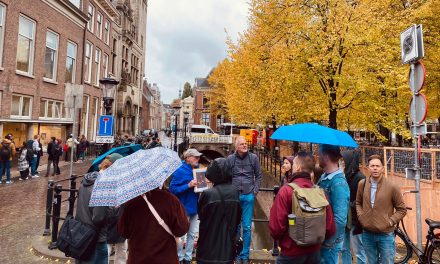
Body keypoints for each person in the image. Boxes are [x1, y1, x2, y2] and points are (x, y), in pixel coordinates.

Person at [270, 152, 336, 264]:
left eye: (294, 164)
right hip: (314, 253)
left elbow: (276, 228)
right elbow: (330, 228)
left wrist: (285, 242)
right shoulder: (320, 193)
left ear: (298, 167)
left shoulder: (286, 191)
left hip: (291, 252)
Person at [118, 184, 190, 264]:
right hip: (166, 259)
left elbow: (124, 232)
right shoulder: (170, 199)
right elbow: (182, 230)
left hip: (137, 259)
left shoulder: (130, 203)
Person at [356, 154, 407, 264]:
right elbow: (358, 203)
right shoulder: (362, 184)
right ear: (368, 167)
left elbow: (401, 209)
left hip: (386, 235)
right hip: (367, 234)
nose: (375, 168)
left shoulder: (392, 186)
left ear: (383, 168)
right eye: (372, 165)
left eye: (377, 166)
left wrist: (390, 221)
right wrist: (361, 217)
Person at [196, 158, 242, 264]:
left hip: (207, 250)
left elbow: (201, 216)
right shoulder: (235, 192)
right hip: (227, 250)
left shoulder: (208, 194)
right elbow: (237, 218)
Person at [226, 136, 262, 264]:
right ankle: (235, 253)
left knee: (246, 227)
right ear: (236, 147)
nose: (244, 145)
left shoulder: (253, 158)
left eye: (245, 143)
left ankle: (245, 255)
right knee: (235, 226)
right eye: (241, 144)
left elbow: (258, 175)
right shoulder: (230, 159)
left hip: (248, 196)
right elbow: (226, 175)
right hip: (234, 197)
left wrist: (255, 191)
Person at [316, 144, 350, 263]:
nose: (317, 157)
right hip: (323, 239)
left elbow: (340, 219)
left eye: (318, 155)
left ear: (325, 156)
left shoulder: (338, 183)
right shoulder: (325, 177)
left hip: (329, 244)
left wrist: (328, 243)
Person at [169, 148, 202, 264]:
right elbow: (172, 190)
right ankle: (178, 258)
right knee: (181, 235)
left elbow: (199, 188)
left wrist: (203, 185)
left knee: (192, 235)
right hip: (183, 209)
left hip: (194, 207)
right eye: (196, 157)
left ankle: (187, 258)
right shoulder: (179, 170)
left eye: (199, 157)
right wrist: (188, 185)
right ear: (188, 158)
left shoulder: (197, 169)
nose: (198, 159)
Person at [75, 170, 110, 263]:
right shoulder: (101, 188)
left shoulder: (84, 183)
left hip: (82, 233)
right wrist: (111, 210)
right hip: (96, 237)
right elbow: (98, 218)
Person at [341, 150, 366, 264]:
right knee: (344, 248)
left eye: (343, 161)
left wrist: (350, 204)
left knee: (359, 250)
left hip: (356, 220)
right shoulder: (344, 176)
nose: (341, 163)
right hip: (345, 218)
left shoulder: (360, 178)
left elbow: (362, 200)